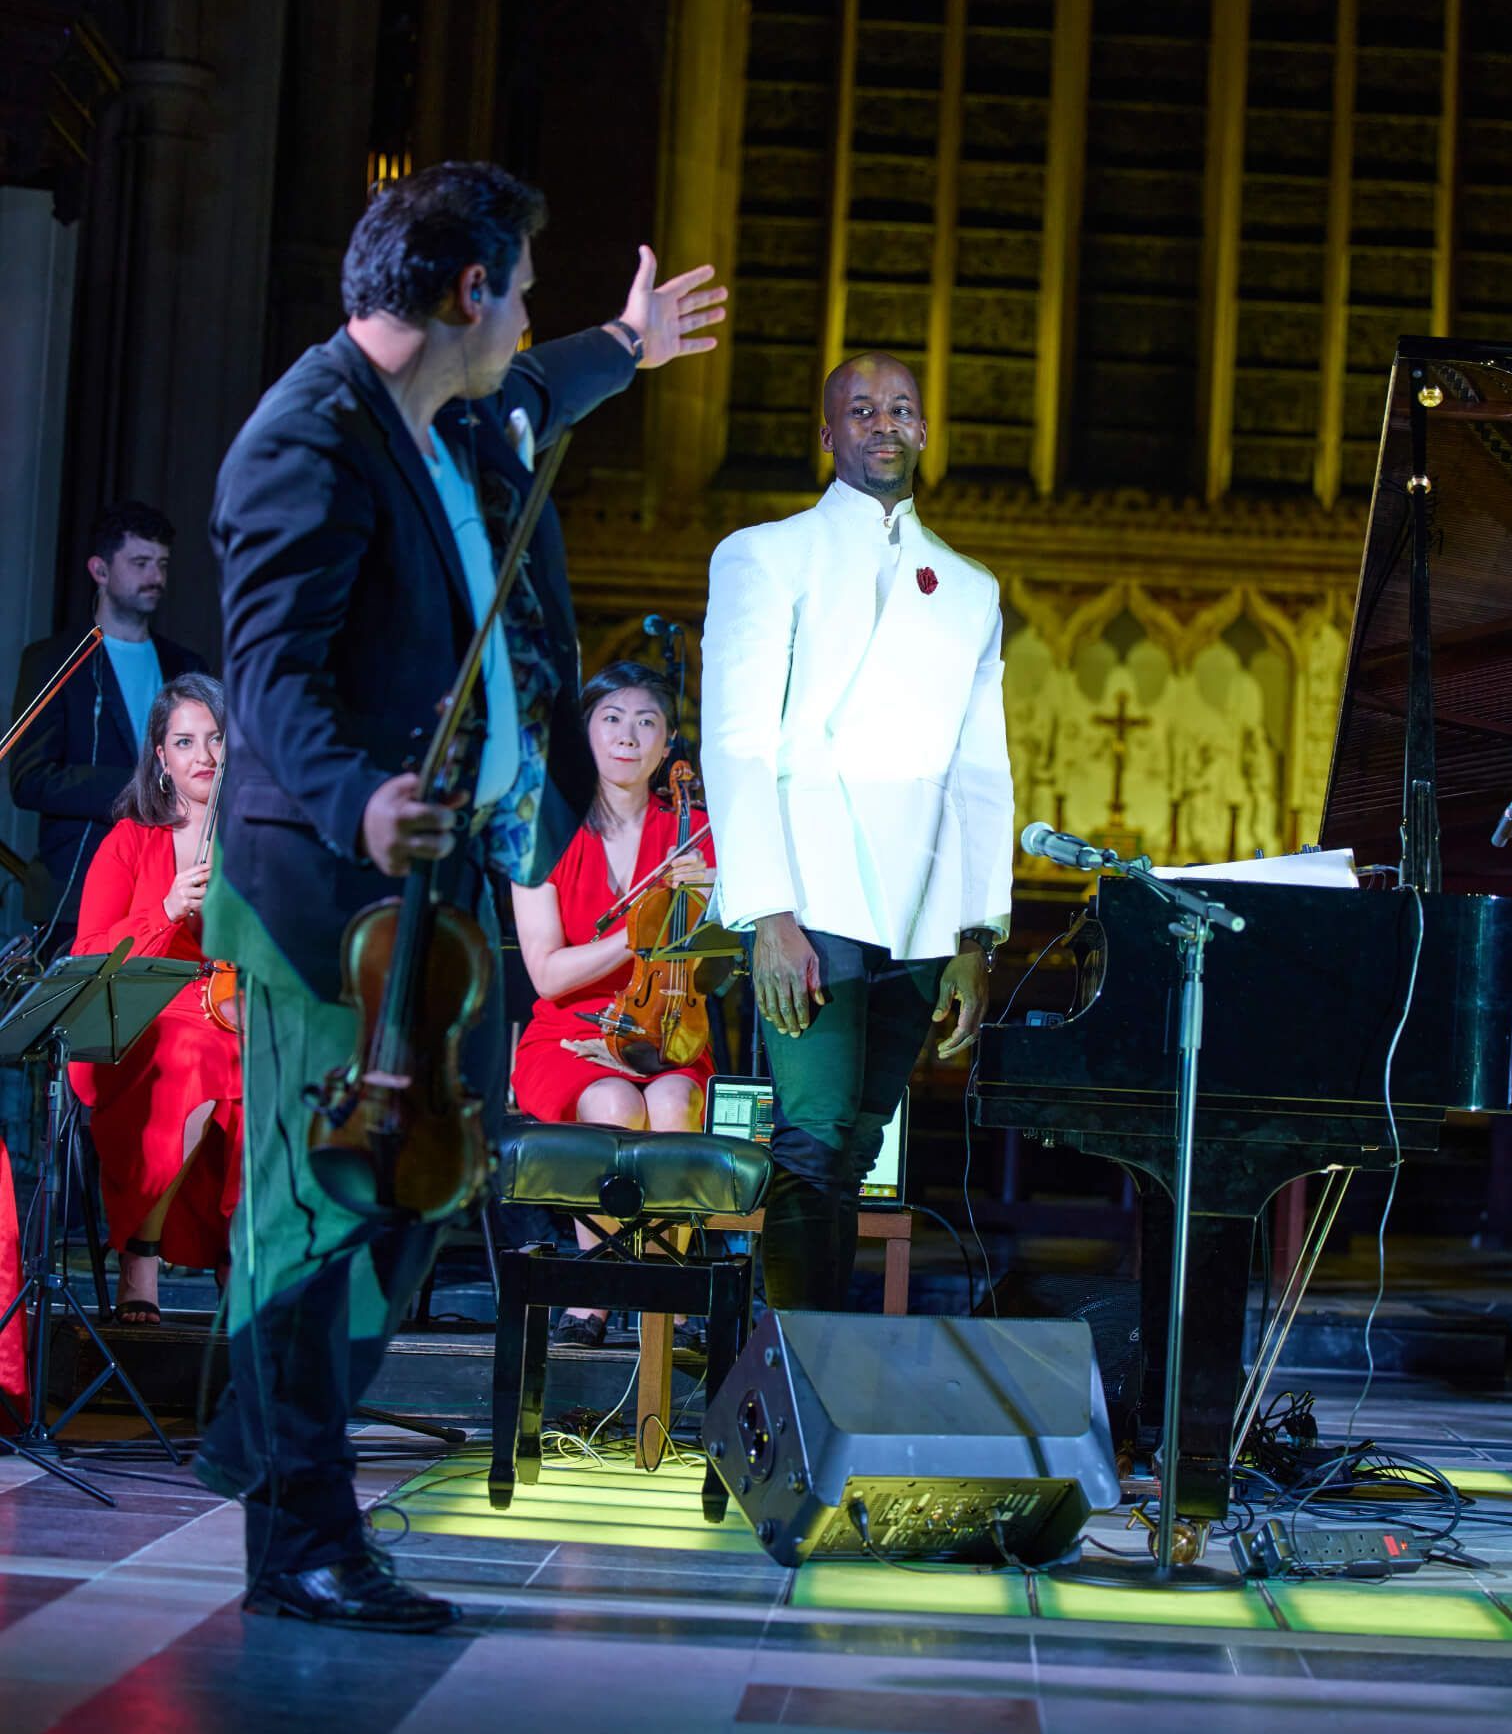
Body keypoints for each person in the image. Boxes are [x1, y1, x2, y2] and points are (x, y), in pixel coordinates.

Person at [197, 161, 724, 1632]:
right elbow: (272, 675)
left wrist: (620, 347)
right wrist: (360, 795)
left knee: (424, 1182)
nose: (526, 323)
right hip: (330, 891)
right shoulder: (302, 444)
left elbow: (534, 393)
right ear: (465, 292)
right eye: (521, 295)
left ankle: (263, 1449)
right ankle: (295, 1531)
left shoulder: (461, 411)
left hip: (448, 885)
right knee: (322, 1209)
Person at [700, 351, 1013, 1312]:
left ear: (923, 431)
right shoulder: (764, 553)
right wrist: (767, 912)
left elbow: (979, 771)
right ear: (826, 433)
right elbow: (739, 742)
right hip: (812, 885)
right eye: (863, 409)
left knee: (862, 1140)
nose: (885, 424)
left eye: (903, 409)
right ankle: (786, 1377)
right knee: (816, 1129)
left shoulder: (967, 588)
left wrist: (973, 936)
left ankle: (806, 1364)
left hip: (919, 903)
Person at [510, 661, 715, 1345]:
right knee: (615, 1107)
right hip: (568, 1034)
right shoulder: (543, 830)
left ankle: (670, 1297)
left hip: (666, 1026)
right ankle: (596, 1290)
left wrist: (715, 899)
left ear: (668, 746)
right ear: (586, 733)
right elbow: (548, 976)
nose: (628, 735)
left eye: (647, 722)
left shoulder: (696, 832)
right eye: (612, 718)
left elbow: (718, 966)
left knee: (673, 1105)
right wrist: (642, 925)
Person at [67, 676, 243, 1323]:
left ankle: (242, 1258)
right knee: (193, 1055)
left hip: (235, 1010)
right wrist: (166, 911)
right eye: (185, 741)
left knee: (280, 1065)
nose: (204, 755)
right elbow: (89, 958)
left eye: (217, 738)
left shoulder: (258, 841)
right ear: (160, 758)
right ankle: (141, 1255)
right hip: (137, 1015)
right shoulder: (130, 840)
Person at [9, 503, 205, 935]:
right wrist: (143, 790)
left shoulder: (186, 664)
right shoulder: (53, 660)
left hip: (172, 890)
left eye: (162, 564)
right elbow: (31, 778)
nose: (155, 577)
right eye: (140, 563)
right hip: (77, 892)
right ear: (99, 570)